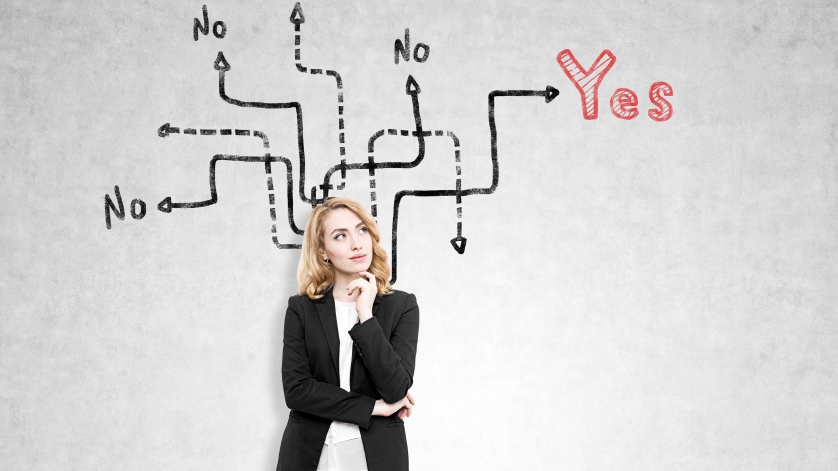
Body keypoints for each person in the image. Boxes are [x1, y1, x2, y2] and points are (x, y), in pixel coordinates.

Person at [276, 197, 419, 471]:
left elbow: (395, 388)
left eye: (361, 230)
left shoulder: (401, 306)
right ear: (322, 252)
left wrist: (365, 314)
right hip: (308, 451)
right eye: (340, 236)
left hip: (376, 452)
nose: (357, 243)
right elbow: (296, 391)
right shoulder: (301, 308)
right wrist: (372, 407)